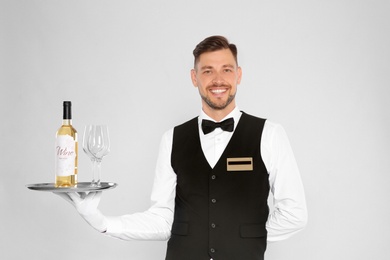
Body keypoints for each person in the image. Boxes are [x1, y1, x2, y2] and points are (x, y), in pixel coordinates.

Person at [57, 35, 307, 260]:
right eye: (207, 71)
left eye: (226, 70)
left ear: (238, 75)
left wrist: (247, 237)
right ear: (194, 77)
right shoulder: (172, 139)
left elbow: (294, 214)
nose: (218, 79)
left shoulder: (270, 135)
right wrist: (101, 221)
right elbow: (163, 220)